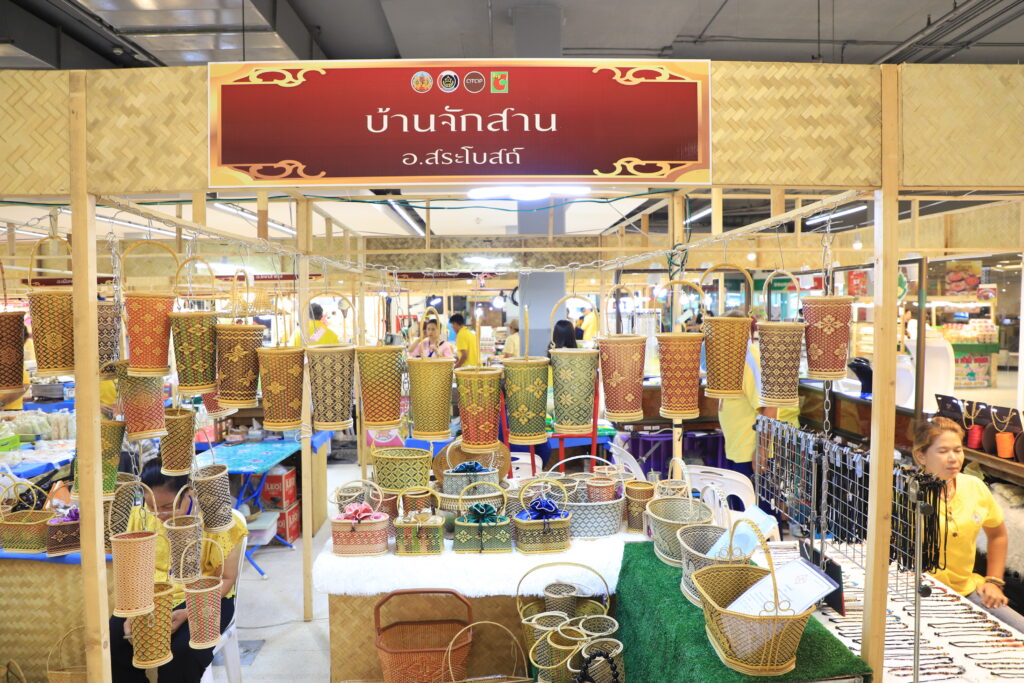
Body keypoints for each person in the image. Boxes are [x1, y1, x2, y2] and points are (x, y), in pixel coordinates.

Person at [109, 459, 247, 682]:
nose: (159, 514)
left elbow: (227, 578)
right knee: (114, 638)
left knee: (183, 652)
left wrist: (188, 612)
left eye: (167, 506)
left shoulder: (215, 521)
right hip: (152, 599)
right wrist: (133, 611)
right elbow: (133, 573)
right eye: (151, 506)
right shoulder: (140, 518)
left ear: (187, 493)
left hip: (207, 598)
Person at [913, 417, 1024, 630]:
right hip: (921, 592)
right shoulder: (907, 492)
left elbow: (998, 534)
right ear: (921, 456)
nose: (954, 458)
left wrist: (994, 581)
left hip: (966, 589)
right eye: (943, 451)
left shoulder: (975, 486)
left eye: (958, 450)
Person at [719, 311, 800, 479]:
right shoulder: (733, 358)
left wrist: (762, 449)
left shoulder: (751, 359)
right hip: (738, 449)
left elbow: (770, 406)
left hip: (752, 454)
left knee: (754, 496)